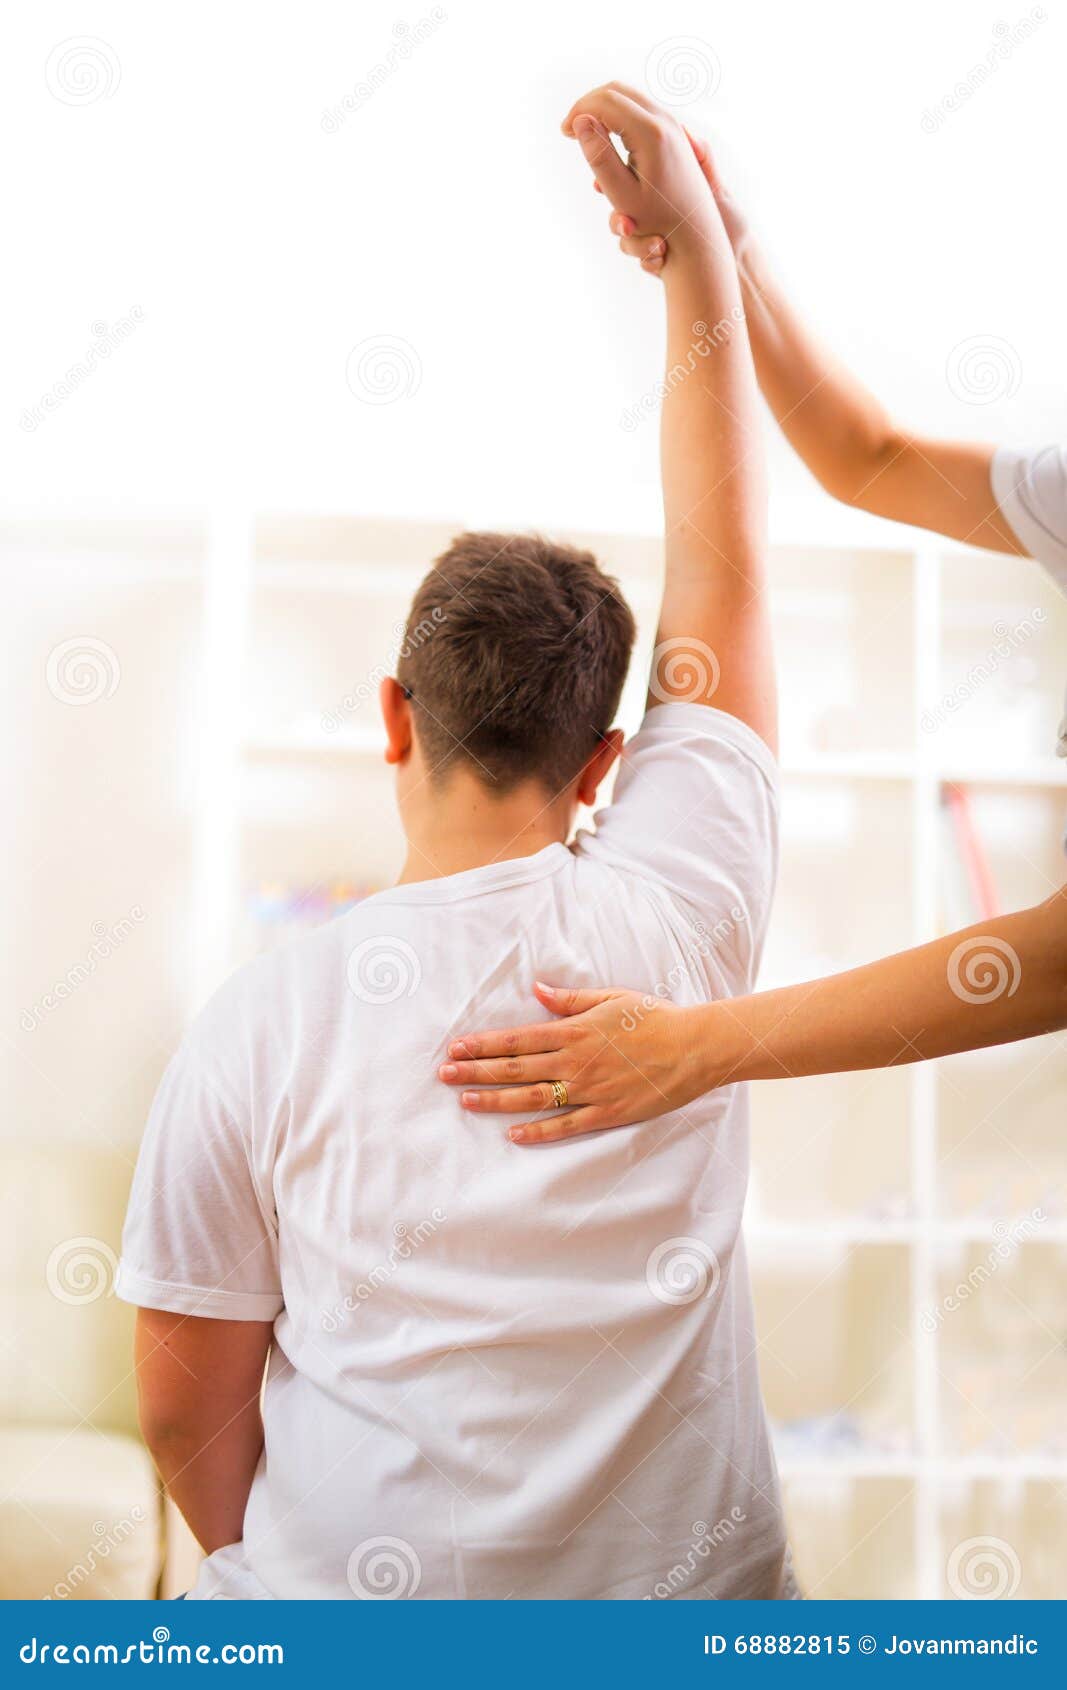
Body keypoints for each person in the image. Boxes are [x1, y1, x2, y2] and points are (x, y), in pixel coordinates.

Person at [117, 84, 798, 1600]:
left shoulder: (257, 1020)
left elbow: (183, 1389)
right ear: (607, 763)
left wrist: (281, 1583)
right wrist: (691, 250)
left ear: (390, 715)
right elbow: (727, 573)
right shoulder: (683, 906)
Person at [439, 125, 1067, 1145]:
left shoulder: (272, 1020)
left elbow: (1057, 963)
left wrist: (693, 1047)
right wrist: (719, 247)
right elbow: (864, 456)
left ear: (395, 715)